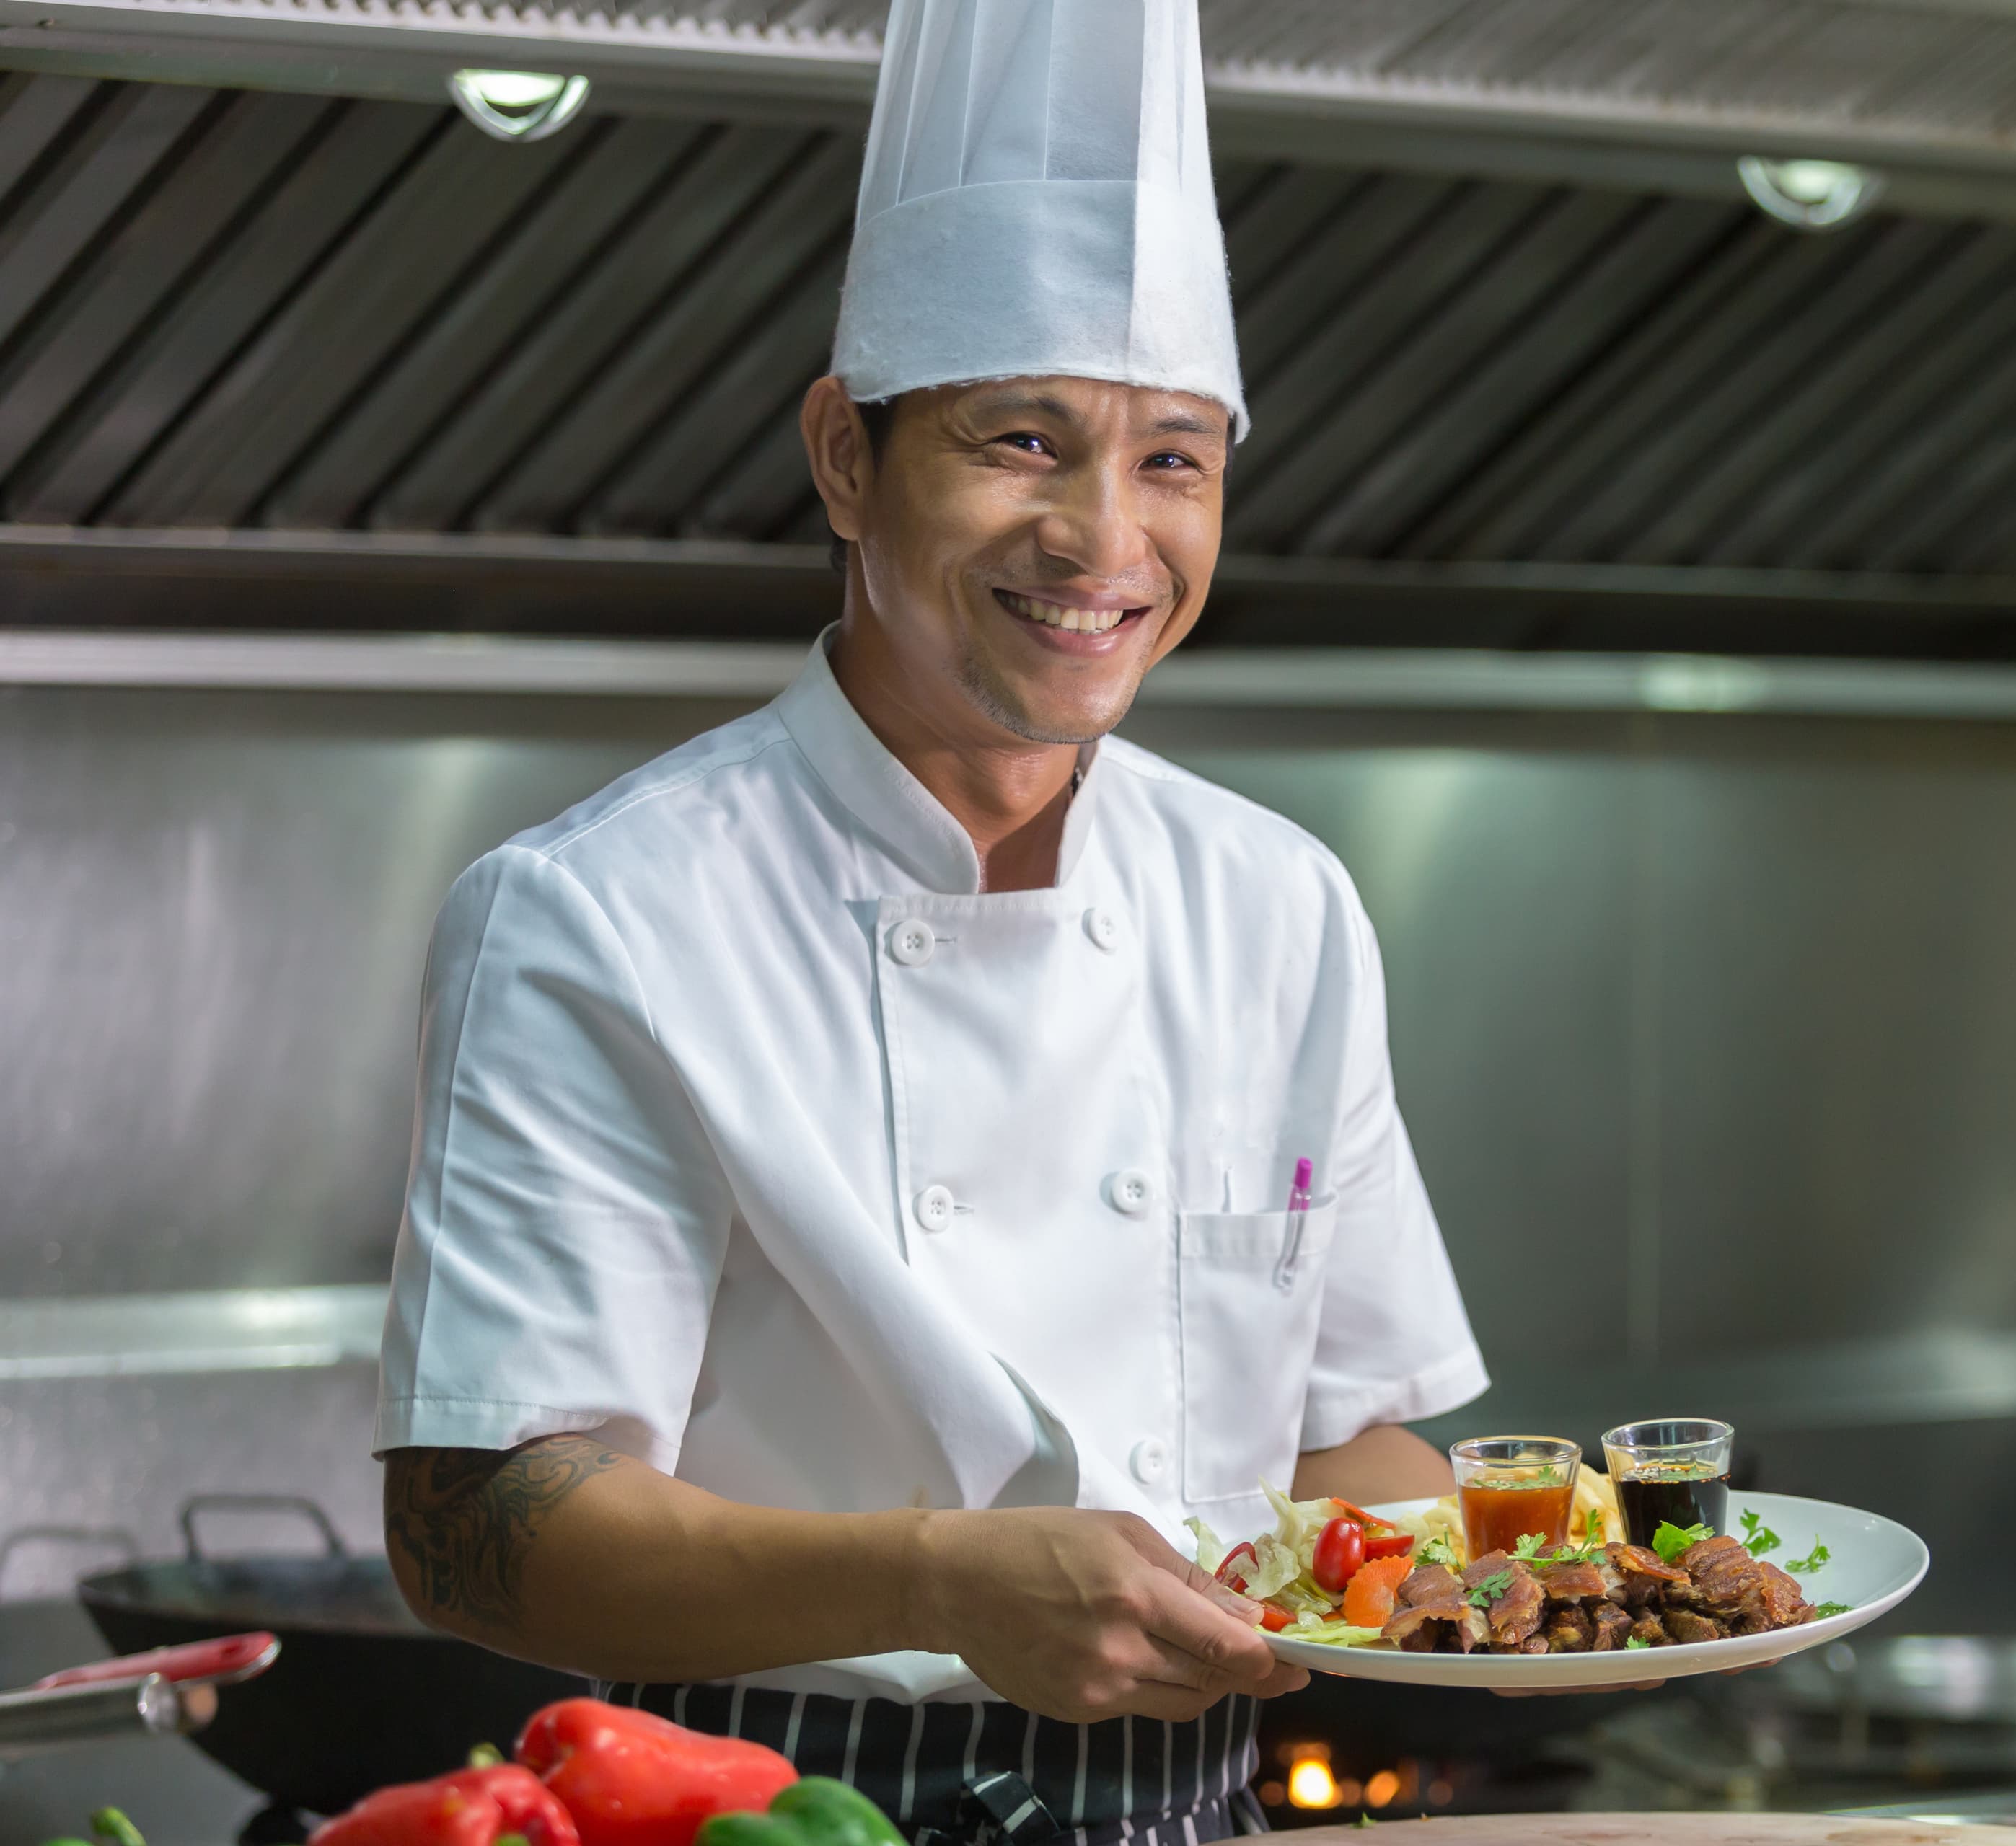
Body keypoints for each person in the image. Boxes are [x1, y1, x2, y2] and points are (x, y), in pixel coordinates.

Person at [371, 2, 1488, 1836]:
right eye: (1024, 441)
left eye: (1175, 461)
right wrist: (938, 1578)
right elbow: (475, 1531)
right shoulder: (597, 914)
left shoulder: (1277, 904)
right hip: (773, 1806)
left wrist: (1557, 1574)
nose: (1104, 543)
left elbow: (1355, 1439)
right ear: (842, 456)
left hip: (1207, 1806)